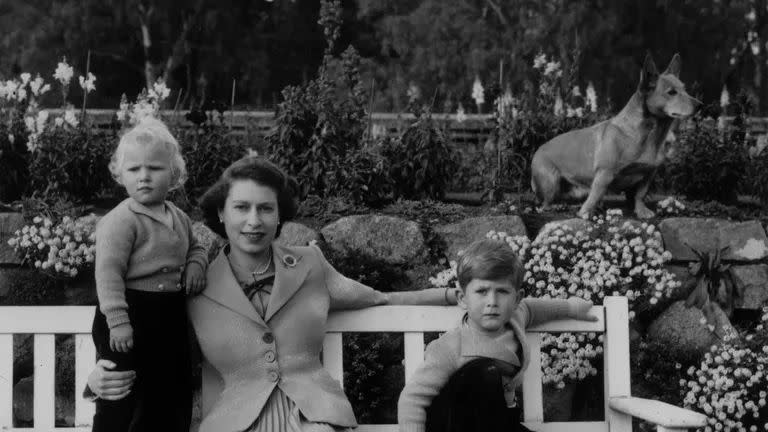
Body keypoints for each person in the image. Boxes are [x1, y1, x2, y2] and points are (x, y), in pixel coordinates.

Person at [87, 155, 458, 432]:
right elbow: (156, 352)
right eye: (242, 208)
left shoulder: (311, 265)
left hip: (314, 417)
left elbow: (377, 298)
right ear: (221, 212)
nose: (253, 221)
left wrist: (442, 296)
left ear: (280, 215)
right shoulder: (194, 287)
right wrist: (96, 380)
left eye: (266, 208)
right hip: (236, 423)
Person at [397, 238, 598, 432]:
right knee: (485, 371)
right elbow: (412, 400)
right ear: (462, 298)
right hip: (457, 423)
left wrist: (571, 307)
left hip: (501, 421)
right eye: (482, 291)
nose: (492, 301)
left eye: (502, 291)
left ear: (516, 298)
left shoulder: (515, 319)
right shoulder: (450, 346)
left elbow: (534, 308)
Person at [89, 117, 208, 432]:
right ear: (120, 175)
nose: (144, 177)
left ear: (173, 174)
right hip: (126, 313)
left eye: (154, 168)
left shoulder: (179, 218)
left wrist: (196, 264)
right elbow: (108, 275)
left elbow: (196, 248)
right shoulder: (120, 221)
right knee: (121, 393)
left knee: (169, 393)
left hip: (167, 316)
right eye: (133, 169)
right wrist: (118, 323)